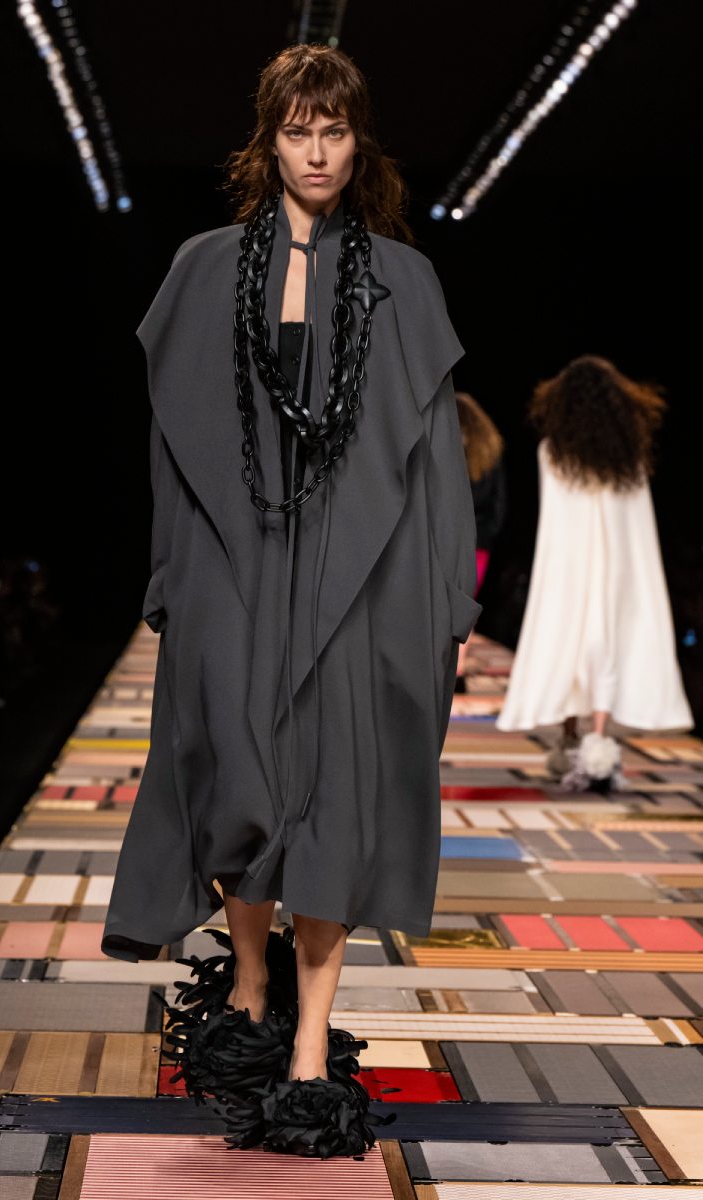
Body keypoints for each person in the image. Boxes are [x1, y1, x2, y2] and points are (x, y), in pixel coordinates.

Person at [101, 43, 481, 1156]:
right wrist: (170, 576)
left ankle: (309, 1046)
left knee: (336, 796)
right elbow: (172, 449)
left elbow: (434, 461)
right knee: (237, 779)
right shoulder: (205, 268)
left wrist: (449, 606)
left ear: (359, 144)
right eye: (296, 131)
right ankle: (249, 983)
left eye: (334, 131)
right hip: (237, 559)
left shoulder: (402, 280)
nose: (316, 152)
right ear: (266, 141)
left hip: (361, 574)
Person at [496, 355, 693, 791]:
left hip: (567, 567)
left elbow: (557, 518)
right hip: (619, 569)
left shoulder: (552, 453)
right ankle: (599, 743)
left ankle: (569, 738)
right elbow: (634, 523)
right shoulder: (629, 458)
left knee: (567, 645)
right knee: (605, 650)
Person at [453, 392, 506, 692]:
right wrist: (487, 535)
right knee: (466, 604)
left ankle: (444, 667)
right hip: (479, 543)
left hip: (448, 539)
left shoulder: (444, 451)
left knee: (442, 602)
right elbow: (499, 503)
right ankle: (459, 669)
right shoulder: (487, 453)